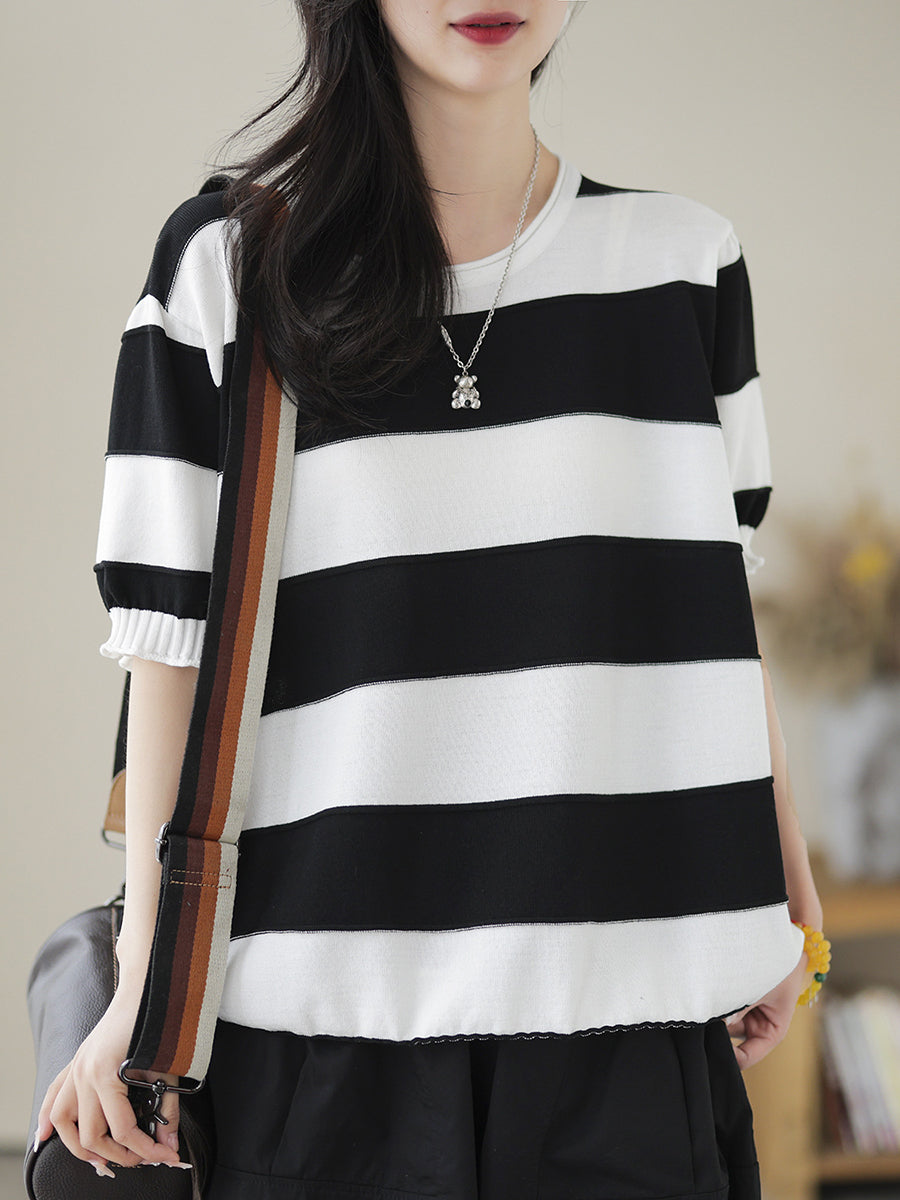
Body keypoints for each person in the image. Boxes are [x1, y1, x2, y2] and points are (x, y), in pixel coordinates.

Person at [33, 1, 826, 1196]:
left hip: (633, 1032)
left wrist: (785, 894)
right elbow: (170, 653)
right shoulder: (231, 268)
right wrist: (145, 991)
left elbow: (708, 618)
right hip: (321, 1045)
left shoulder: (682, 264)